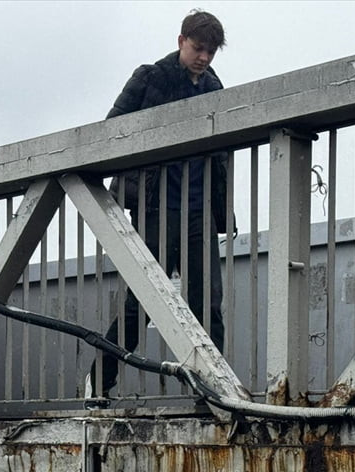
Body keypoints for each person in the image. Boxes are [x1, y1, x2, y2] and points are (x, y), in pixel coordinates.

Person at [93, 9, 230, 400]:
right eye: (198, 48)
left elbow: (220, 156)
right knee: (142, 304)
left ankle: (214, 391)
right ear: (181, 40)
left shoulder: (214, 88)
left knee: (209, 305)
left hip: (200, 210)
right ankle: (99, 382)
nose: (204, 57)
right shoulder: (150, 77)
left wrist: (224, 209)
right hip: (155, 207)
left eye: (211, 51)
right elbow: (110, 132)